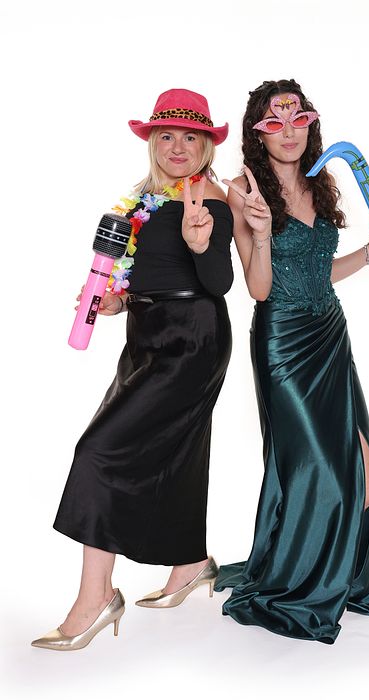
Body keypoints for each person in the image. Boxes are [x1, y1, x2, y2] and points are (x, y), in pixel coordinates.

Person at [32, 88, 233, 651]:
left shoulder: (208, 199)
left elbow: (219, 283)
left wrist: (200, 241)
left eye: (190, 137)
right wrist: (114, 302)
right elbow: (143, 276)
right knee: (177, 452)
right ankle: (191, 562)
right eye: (166, 135)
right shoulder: (143, 200)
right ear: (152, 142)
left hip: (191, 338)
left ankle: (96, 597)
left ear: (206, 147)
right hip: (145, 335)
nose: (177, 146)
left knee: (100, 450)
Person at [215, 79, 369, 644]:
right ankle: (300, 581)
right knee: (320, 468)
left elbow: (320, 272)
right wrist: (260, 233)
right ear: (258, 133)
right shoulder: (242, 191)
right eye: (274, 123)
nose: (288, 132)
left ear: (310, 125)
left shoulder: (320, 182)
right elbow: (258, 289)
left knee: (362, 474)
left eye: (297, 120)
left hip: (330, 337)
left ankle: (343, 575)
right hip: (283, 343)